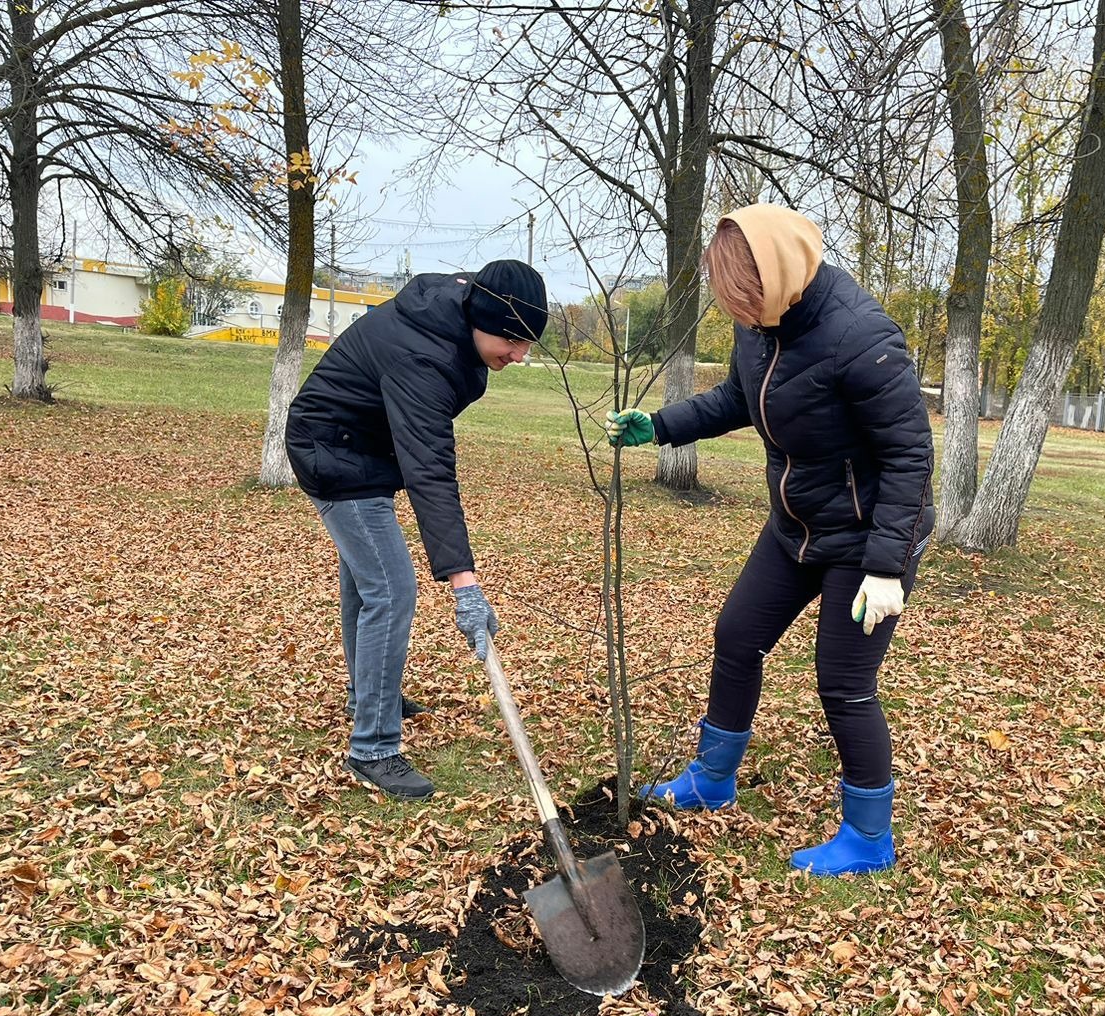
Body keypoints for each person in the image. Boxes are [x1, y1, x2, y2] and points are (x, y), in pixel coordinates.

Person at [607, 205, 933, 876]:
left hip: (866, 540)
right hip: (797, 526)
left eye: (750, 303)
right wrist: (661, 426)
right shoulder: (759, 328)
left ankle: (869, 838)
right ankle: (712, 779)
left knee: (843, 683)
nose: (744, 317)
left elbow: (910, 458)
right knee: (737, 635)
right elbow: (737, 398)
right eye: (736, 308)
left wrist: (886, 568)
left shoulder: (863, 337)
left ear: (783, 274)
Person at [286, 260, 548, 799]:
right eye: (512, 340)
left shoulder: (455, 316)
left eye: (527, 344)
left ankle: (370, 693)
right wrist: (464, 583)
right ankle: (374, 747)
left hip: (360, 448)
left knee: (367, 586)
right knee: (392, 589)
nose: (520, 356)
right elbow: (430, 467)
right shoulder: (422, 356)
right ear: (482, 318)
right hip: (333, 454)